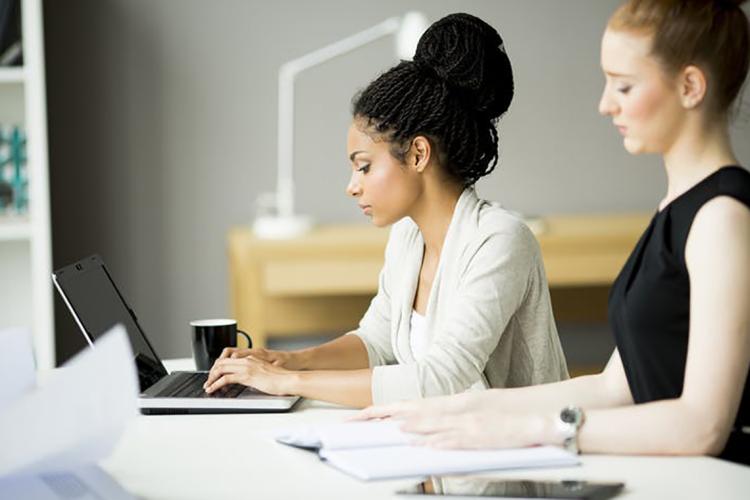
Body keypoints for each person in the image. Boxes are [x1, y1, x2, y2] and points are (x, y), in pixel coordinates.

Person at [356, 0, 750, 464]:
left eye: (623, 86)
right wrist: (457, 408)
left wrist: (530, 429)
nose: (605, 104)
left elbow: (701, 426)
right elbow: (615, 388)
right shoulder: (678, 211)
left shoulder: (724, 216)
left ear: (689, 86)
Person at [203, 13, 568, 408]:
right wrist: (290, 360)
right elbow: (376, 341)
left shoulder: (499, 240)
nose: (351, 185)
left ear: (417, 154)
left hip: (511, 463)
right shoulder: (409, 237)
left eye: (364, 166)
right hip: (434, 452)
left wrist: (289, 381)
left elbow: (443, 376)